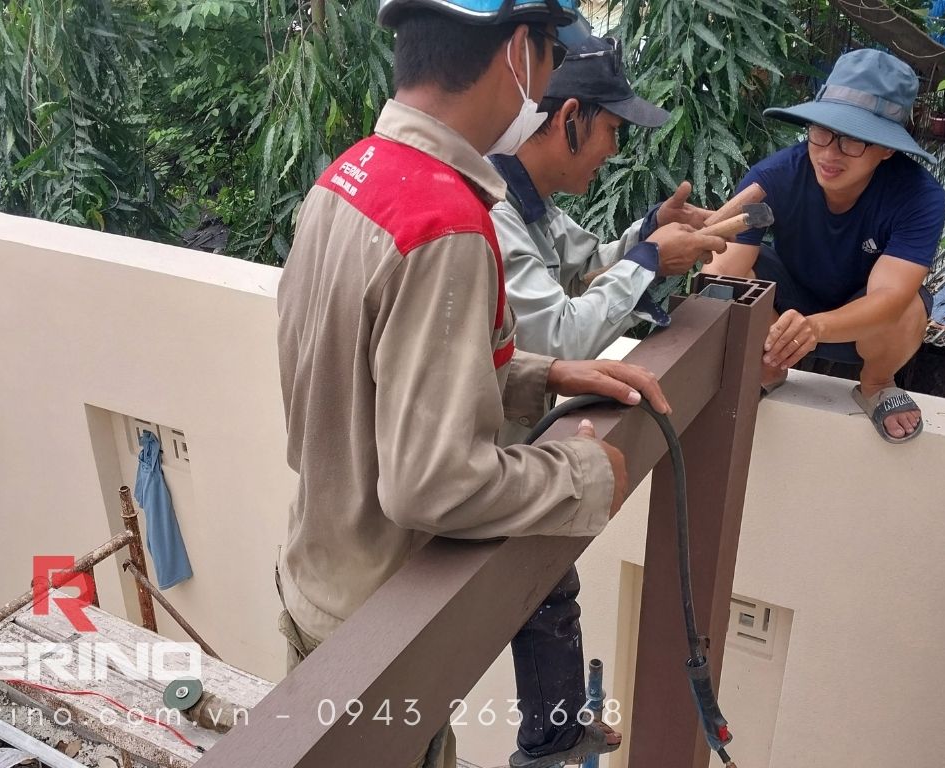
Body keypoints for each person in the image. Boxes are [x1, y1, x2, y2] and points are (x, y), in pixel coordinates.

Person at [275, 2, 665, 766]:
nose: (548, 88)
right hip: (380, 636)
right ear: (520, 52)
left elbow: (374, 367)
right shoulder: (444, 221)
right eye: (551, 57)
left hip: (316, 579)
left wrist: (541, 374)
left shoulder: (349, 175)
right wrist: (584, 475)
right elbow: (433, 485)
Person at [703, 48, 945, 443]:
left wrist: (815, 328)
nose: (830, 153)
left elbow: (890, 297)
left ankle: (877, 383)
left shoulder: (919, 196)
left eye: (853, 141)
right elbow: (720, 270)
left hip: (863, 326)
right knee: (731, 278)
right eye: (822, 132)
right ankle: (766, 368)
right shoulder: (776, 175)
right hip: (783, 316)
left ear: (887, 148)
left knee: (909, 306)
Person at [489, 35, 725, 371]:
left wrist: (650, 233)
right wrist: (650, 260)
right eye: (612, 128)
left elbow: (584, 272)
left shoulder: (530, 201)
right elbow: (557, 340)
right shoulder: (494, 212)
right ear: (570, 117)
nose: (614, 149)